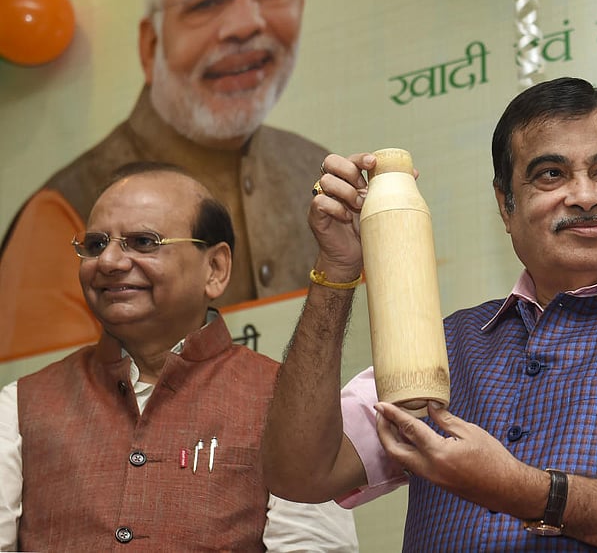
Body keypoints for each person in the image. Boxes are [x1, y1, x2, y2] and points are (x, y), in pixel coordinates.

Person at [262, 77, 597, 551]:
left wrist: (528, 490)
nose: (585, 195)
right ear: (505, 205)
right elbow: (300, 472)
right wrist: (336, 272)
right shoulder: (443, 343)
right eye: (551, 174)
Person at [0, 0, 326, 362]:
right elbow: (51, 418)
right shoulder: (59, 212)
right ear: (151, 46)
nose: (245, 25)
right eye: (208, 1)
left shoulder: (316, 170)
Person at [0, 162, 358, 551]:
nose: (109, 262)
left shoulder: (289, 402)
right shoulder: (19, 405)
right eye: (96, 244)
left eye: (143, 242)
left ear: (215, 269)